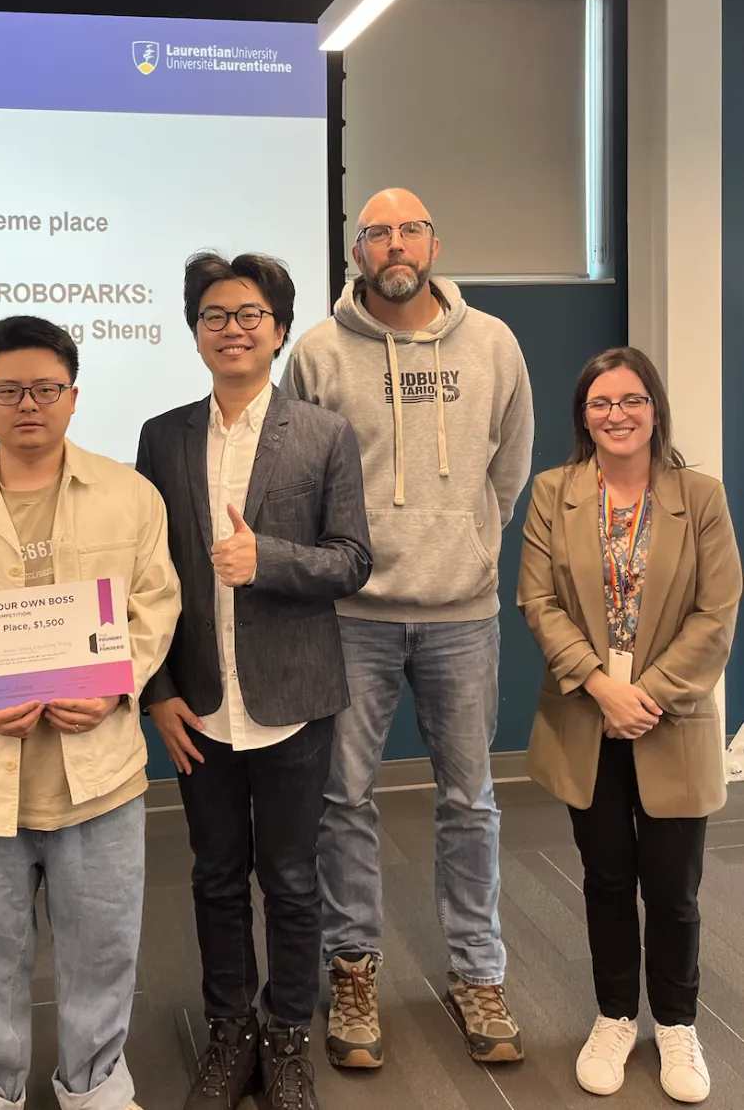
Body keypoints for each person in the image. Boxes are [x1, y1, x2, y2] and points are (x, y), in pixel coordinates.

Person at [0, 315, 180, 1110]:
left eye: (45, 388)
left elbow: (156, 602)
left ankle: (94, 1084)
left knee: (103, 948)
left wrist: (118, 682)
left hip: (100, 775)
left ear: (73, 396)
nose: (28, 404)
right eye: (8, 389)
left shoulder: (129, 495)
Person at [281, 187, 534, 1069]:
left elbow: (510, 464)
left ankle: (479, 971)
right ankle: (353, 970)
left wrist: (463, 543)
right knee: (342, 801)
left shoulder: (494, 343)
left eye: (410, 228)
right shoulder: (316, 351)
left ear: (435, 241)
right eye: (378, 231)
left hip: (462, 615)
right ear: (358, 252)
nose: (395, 243)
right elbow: (293, 474)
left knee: (472, 801)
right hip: (351, 616)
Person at [136, 252, 372, 1110]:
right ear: (194, 331)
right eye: (213, 314)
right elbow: (146, 573)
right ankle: (229, 1030)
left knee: (294, 879)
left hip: (292, 702)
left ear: (278, 329)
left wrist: (264, 557)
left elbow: (353, 560)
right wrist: (156, 690)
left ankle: (285, 1036)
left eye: (248, 314)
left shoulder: (322, 432)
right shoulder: (162, 436)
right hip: (197, 704)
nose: (230, 328)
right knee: (212, 875)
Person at [518, 346, 740, 1104]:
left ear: (655, 408)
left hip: (669, 718)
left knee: (674, 889)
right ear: (584, 414)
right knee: (607, 877)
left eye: (631, 399)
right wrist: (601, 687)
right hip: (587, 716)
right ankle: (615, 1014)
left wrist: (645, 693)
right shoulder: (554, 491)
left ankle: (677, 1022)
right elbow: (537, 602)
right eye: (601, 402)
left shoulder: (699, 495)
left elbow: (717, 613)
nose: (617, 414)